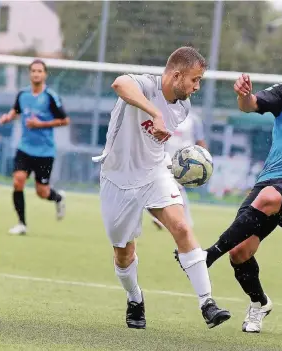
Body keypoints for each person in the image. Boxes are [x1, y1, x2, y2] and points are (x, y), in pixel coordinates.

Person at [175, 39, 282, 333]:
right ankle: (259, 303)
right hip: (271, 178)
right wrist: (243, 95)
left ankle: (206, 256)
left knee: (268, 198)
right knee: (240, 252)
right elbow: (250, 106)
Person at [92, 46, 230, 330]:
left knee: (181, 227)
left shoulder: (184, 106)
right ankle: (134, 297)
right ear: (176, 75)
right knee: (123, 252)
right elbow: (119, 84)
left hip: (156, 172)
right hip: (117, 178)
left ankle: (207, 303)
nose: (197, 86)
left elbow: (155, 141)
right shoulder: (146, 84)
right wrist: (154, 113)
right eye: (194, 79)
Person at [0, 59, 69, 235]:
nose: (36, 74)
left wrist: (41, 125)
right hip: (25, 148)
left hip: (45, 152)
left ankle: (58, 197)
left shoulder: (51, 97)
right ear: (30, 74)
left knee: (42, 192)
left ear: (45, 74)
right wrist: (8, 117)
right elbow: (16, 110)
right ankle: (22, 223)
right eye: (33, 71)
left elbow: (65, 120)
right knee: (18, 181)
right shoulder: (22, 94)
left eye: (40, 71)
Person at [150, 112, 207, 230]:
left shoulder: (194, 120)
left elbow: (200, 141)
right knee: (173, 189)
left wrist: (203, 159)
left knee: (174, 188)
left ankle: (164, 218)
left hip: (186, 160)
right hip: (166, 158)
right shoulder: (165, 117)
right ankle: (180, 220)